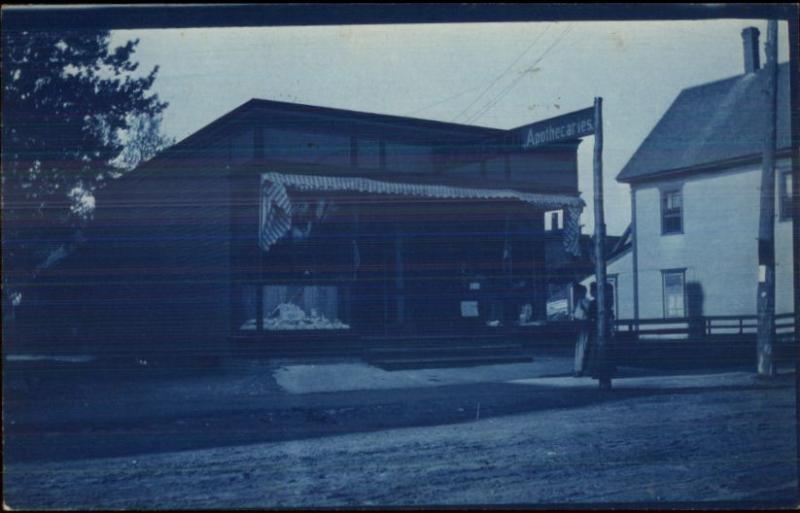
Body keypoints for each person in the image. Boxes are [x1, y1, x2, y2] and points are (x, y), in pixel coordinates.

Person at [572, 283, 591, 377]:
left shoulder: (586, 301)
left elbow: (588, 314)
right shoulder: (579, 301)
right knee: (579, 347)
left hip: (584, 325)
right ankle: (577, 368)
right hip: (579, 325)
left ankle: (580, 369)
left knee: (582, 347)